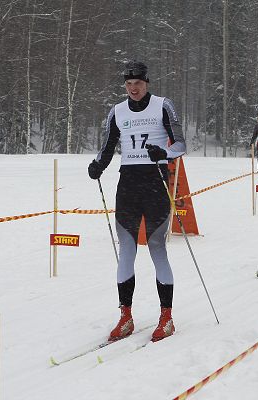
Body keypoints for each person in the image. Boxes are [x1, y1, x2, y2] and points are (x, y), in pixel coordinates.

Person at [88, 60, 186, 343]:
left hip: (155, 182)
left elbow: (180, 145)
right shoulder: (117, 111)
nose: (133, 89)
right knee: (126, 249)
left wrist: (163, 153)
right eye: (129, 85)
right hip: (128, 184)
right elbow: (107, 146)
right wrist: (97, 166)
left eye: (138, 84)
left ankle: (166, 317)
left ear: (146, 83)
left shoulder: (163, 105)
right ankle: (125, 316)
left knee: (156, 247)